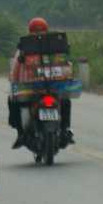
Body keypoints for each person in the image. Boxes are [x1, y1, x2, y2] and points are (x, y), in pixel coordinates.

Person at [8, 17, 74, 149]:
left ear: (30, 30)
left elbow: (15, 71)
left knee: (13, 101)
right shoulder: (56, 46)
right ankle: (65, 130)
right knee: (65, 102)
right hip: (55, 88)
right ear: (46, 29)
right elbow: (67, 66)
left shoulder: (24, 47)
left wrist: (13, 81)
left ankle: (21, 133)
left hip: (30, 89)